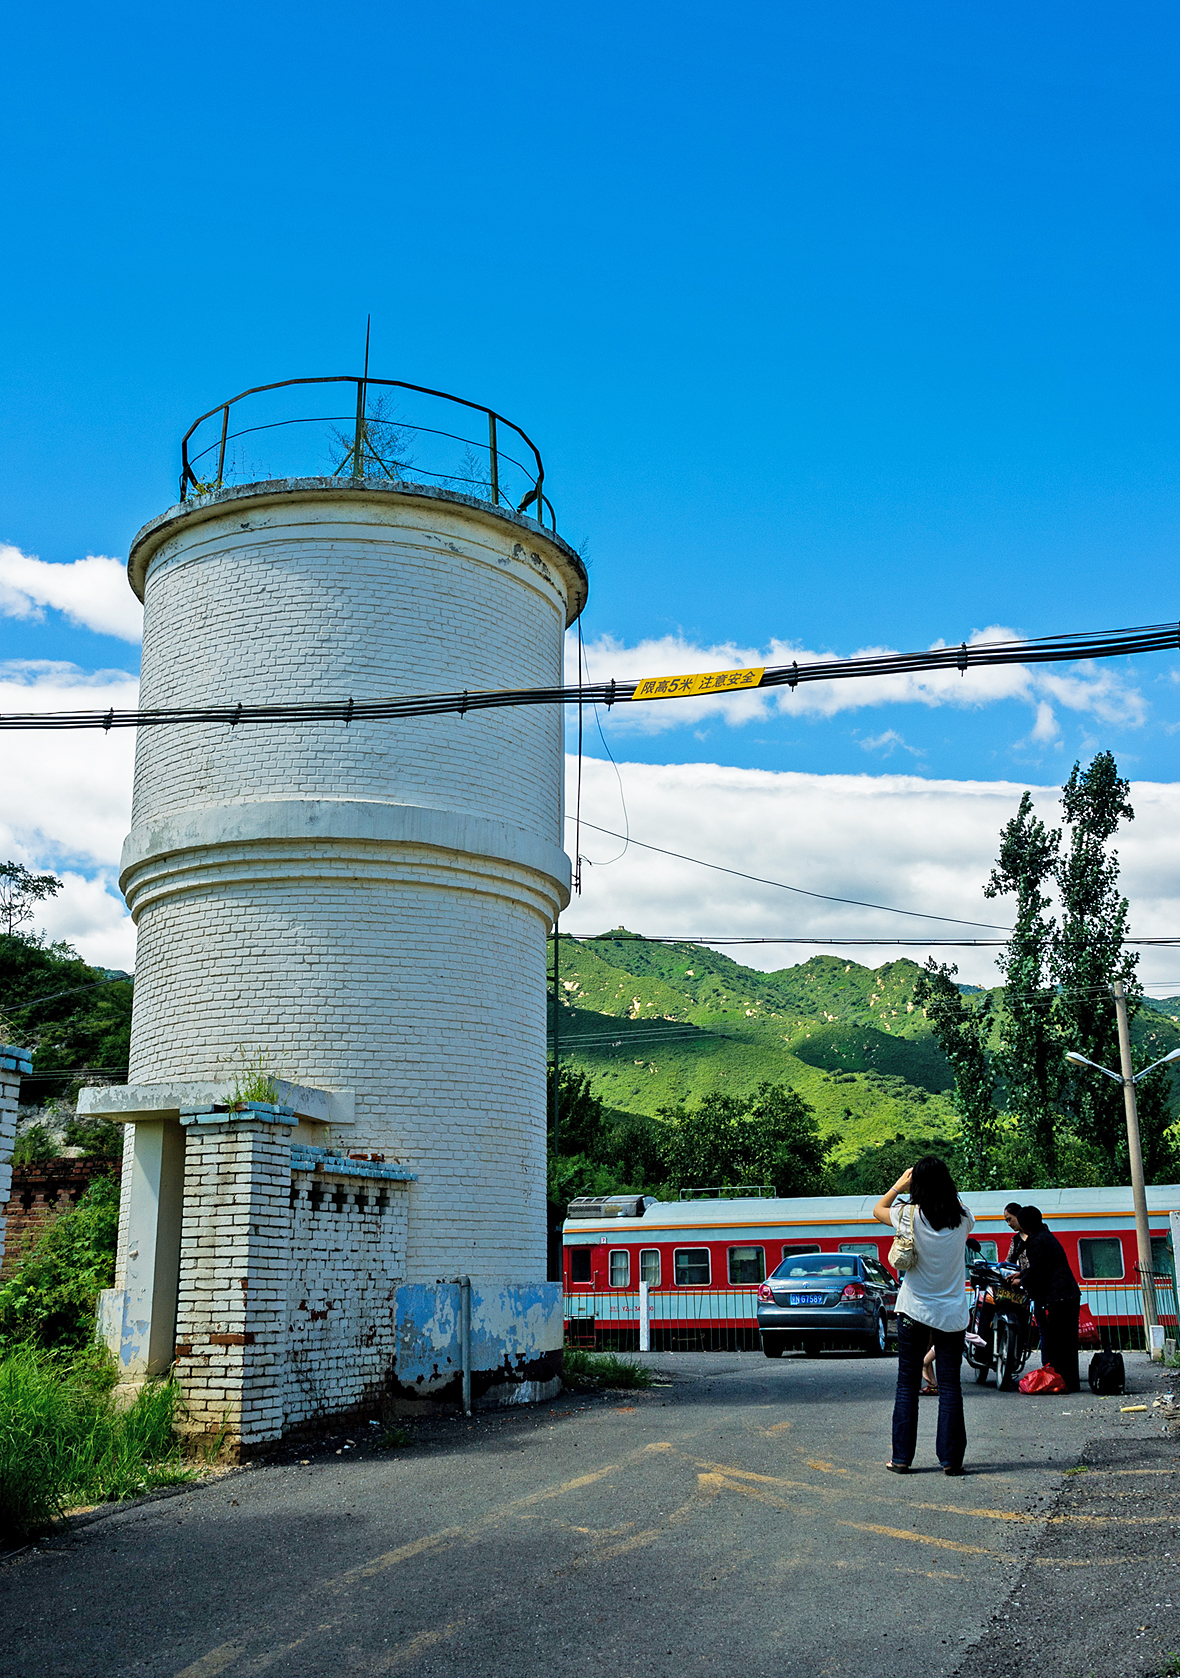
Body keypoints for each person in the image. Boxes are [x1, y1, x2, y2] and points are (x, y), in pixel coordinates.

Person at [873, 1157, 975, 1476]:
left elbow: (877, 1210)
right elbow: (954, 1201)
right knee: (950, 1386)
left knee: (907, 1384)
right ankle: (951, 1460)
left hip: (913, 1311)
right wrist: (943, 1186)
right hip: (951, 1314)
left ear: (915, 1184)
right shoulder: (963, 1218)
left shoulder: (908, 1215)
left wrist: (899, 1186)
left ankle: (902, 1458)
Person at [1016, 1205, 1081, 1392]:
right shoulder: (1044, 1236)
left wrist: (1021, 1280)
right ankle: (1068, 1380)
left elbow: (1039, 1270)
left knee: (1059, 1341)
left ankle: (1062, 1381)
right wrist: (1022, 1274)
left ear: (1024, 1223)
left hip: (1058, 1296)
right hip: (1066, 1294)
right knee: (1066, 1342)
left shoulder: (1038, 1241)